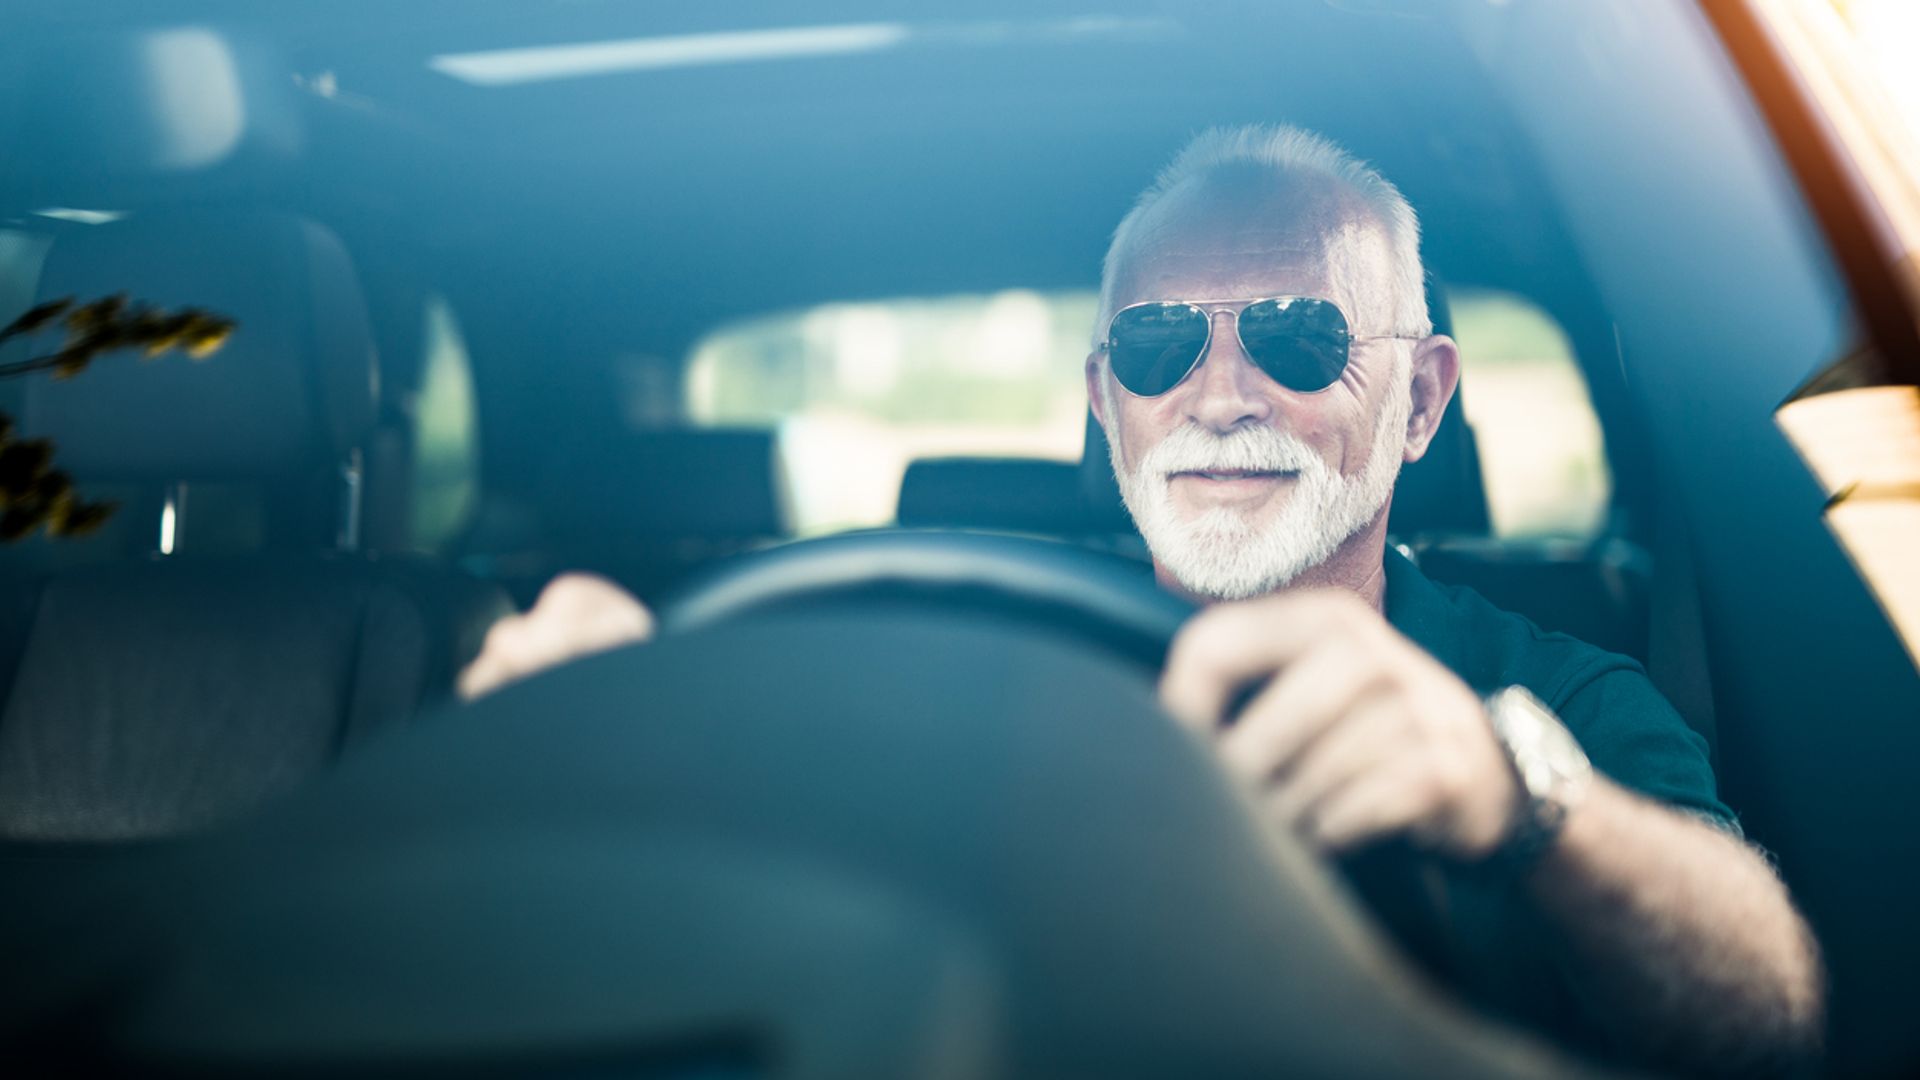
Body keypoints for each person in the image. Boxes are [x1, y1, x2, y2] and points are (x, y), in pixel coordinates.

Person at [457, 124, 1823, 1071]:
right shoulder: (952, 656)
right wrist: (605, 734)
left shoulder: (1554, 696)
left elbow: (1771, 1015)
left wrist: (1524, 800)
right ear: (1109, 405)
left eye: (1299, 338)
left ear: (1420, 401)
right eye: (1161, 347)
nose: (1220, 395)